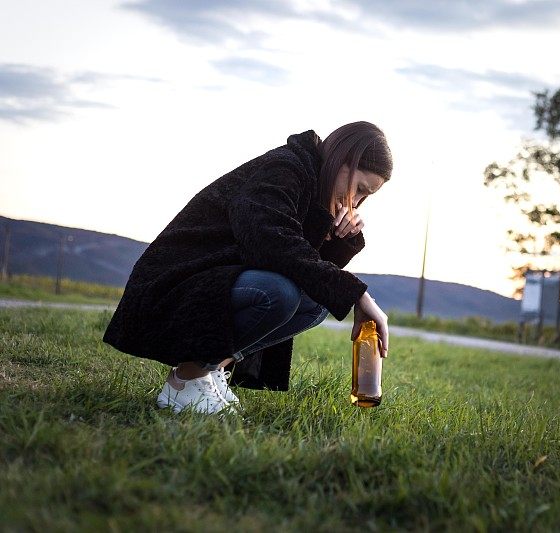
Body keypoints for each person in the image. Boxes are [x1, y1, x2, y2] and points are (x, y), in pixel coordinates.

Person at [102, 121, 392, 414]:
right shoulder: (286, 168)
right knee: (279, 292)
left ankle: (211, 369)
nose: (354, 201)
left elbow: (308, 271)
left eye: (364, 196)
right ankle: (185, 380)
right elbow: (272, 245)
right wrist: (358, 294)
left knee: (315, 301)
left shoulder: (314, 187)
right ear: (341, 159)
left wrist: (341, 238)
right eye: (357, 188)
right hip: (170, 287)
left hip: (210, 286)